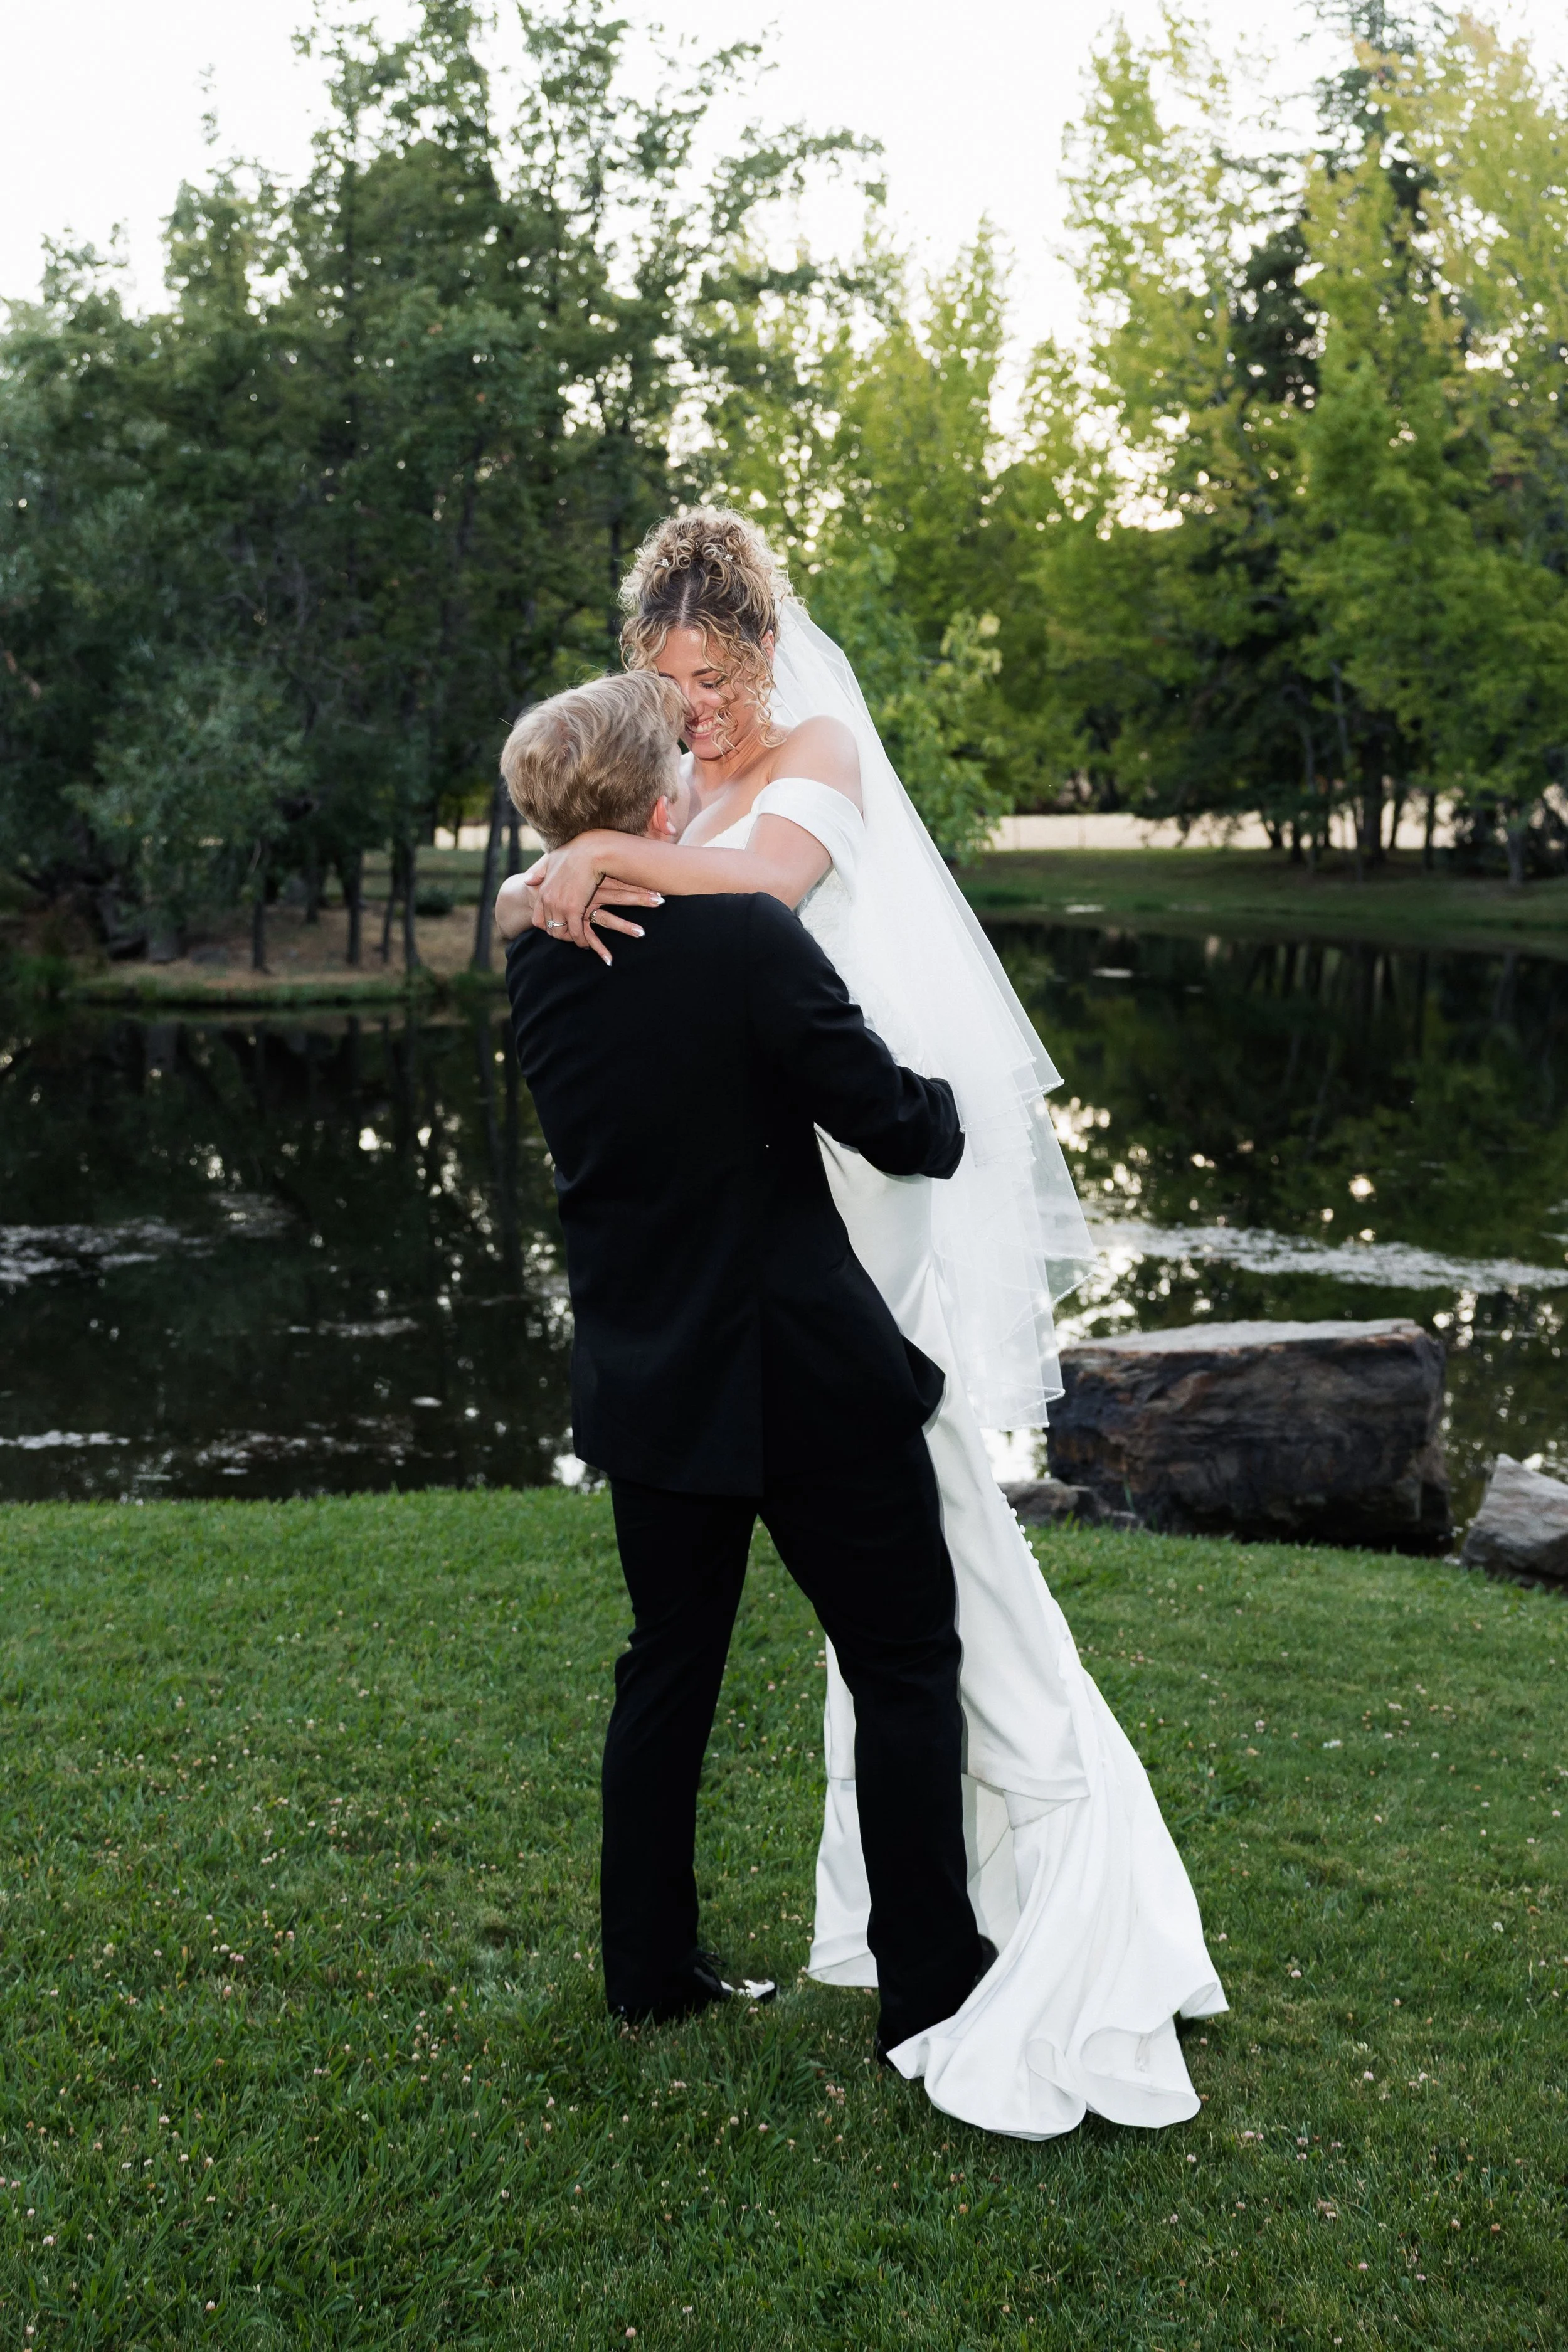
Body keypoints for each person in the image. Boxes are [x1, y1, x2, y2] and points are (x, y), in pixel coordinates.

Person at [498, 510, 1227, 2142]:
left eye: (716, 670)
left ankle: (691, 1959)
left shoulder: (594, 902)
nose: (695, 706)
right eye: (664, 681)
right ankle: (921, 1971)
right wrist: (607, 862)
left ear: (766, 650)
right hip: (791, 1275)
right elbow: (759, 960)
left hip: (720, 1299)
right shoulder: (682, 882)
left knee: (726, 1641)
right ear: (638, 690)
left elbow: (752, 892)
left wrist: (583, 857)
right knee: (902, 1637)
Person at [501, 667, 993, 2055]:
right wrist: (956, 1115)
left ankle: (646, 1970)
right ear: (663, 802)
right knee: (902, 1659)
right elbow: (886, 1119)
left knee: (666, 1668)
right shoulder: (744, 941)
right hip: (802, 1376)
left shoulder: (536, 957)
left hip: (649, 1373)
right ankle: (932, 1984)